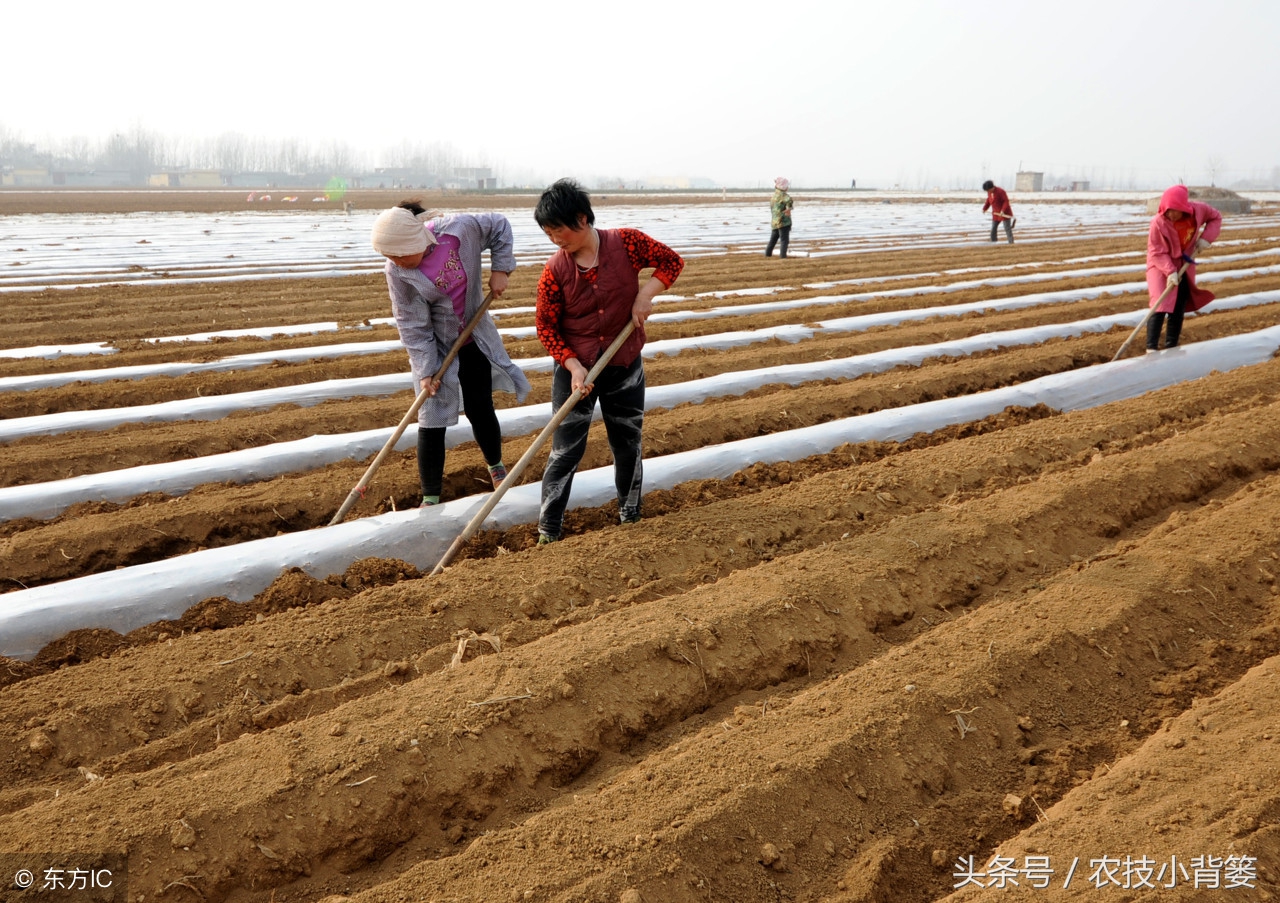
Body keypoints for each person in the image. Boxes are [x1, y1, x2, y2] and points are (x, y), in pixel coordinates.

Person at [532, 178, 685, 544]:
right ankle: (548, 531)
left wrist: (646, 293)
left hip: (623, 362)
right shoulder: (555, 271)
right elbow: (545, 326)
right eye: (548, 233)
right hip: (577, 371)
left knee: (627, 443)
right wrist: (571, 364)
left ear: (582, 219)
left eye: (559, 231)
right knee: (566, 450)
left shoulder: (627, 243)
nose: (556, 240)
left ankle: (630, 513)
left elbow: (671, 261)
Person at [371, 202, 531, 507]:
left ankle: (496, 467)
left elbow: (499, 224)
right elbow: (411, 322)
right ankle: (430, 496)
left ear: (415, 241)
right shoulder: (398, 272)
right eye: (389, 257)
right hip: (438, 346)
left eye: (399, 254)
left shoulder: (460, 232)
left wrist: (500, 268)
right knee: (430, 416)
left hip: (474, 336)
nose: (395, 262)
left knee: (479, 406)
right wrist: (426, 370)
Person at [1145, 185, 1222, 352]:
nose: (1170, 214)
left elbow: (1216, 217)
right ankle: (1151, 348)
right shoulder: (1158, 222)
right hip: (1160, 264)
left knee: (1179, 304)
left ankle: (1171, 346)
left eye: (1174, 210)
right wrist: (1170, 271)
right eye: (1167, 210)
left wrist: (1206, 238)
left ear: (1183, 207)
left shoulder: (1198, 211)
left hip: (1185, 262)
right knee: (1160, 302)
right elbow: (1157, 251)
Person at [766, 177, 794, 258]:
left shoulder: (774, 196)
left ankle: (767, 254)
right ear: (783, 187)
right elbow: (789, 201)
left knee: (773, 240)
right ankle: (783, 256)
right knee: (784, 240)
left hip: (774, 222)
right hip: (783, 222)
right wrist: (789, 208)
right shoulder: (784, 196)